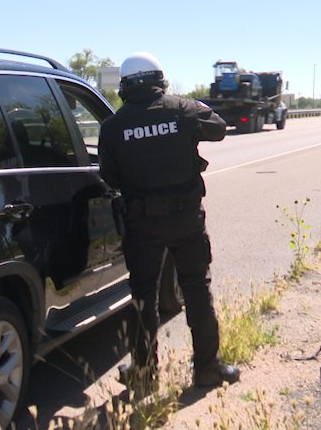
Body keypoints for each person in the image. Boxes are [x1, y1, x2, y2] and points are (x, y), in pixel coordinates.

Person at [98, 52, 240, 391]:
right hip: (185, 219)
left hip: (141, 224)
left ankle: (144, 375)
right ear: (160, 81)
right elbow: (219, 128)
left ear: (124, 87)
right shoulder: (183, 110)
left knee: (143, 297)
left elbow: (110, 177)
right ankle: (207, 370)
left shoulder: (112, 127)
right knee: (196, 289)